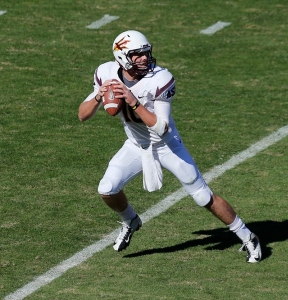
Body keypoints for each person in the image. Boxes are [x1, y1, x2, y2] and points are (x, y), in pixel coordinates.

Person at [78, 30, 262, 263]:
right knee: (107, 189)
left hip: (167, 146)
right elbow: (83, 116)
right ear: (123, 57)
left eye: (146, 53)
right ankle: (131, 221)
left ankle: (248, 237)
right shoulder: (105, 72)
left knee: (203, 197)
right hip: (136, 145)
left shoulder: (160, 79)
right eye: (138, 55)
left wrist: (133, 102)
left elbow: (162, 128)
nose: (145, 58)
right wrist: (98, 97)